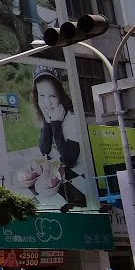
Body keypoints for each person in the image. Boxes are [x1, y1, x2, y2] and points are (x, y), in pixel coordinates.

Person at [33, 67, 86, 208]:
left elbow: (70, 159)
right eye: (41, 96)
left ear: (60, 96)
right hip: (58, 166)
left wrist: (55, 124)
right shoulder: (48, 115)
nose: (47, 102)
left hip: (82, 177)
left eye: (52, 96)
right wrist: (47, 123)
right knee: (34, 163)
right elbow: (44, 149)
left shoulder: (71, 118)